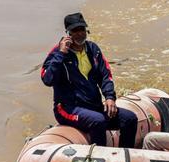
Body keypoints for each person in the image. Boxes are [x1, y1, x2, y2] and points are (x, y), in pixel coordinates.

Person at [40, 12, 138, 148]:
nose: (80, 33)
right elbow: (47, 79)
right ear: (68, 33)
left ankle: (124, 157)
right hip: (68, 109)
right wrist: (61, 54)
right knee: (98, 121)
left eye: (82, 29)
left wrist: (110, 97)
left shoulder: (93, 50)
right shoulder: (58, 53)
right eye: (75, 30)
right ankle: (99, 160)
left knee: (130, 119)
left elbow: (105, 76)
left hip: (94, 106)